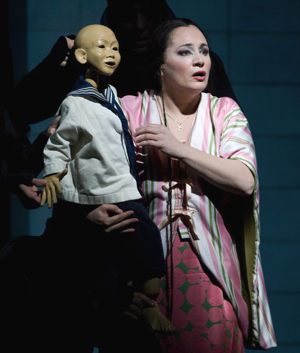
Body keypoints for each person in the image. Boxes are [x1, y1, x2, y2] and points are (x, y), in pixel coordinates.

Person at [114, 18, 277, 352]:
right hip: (143, 266)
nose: (200, 59)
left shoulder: (223, 111)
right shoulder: (130, 109)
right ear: (160, 66)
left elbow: (244, 179)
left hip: (208, 265)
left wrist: (179, 149)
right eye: (185, 52)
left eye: (203, 51)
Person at [40, 23, 175, 341]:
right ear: (83, 55)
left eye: (114, 47)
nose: (111, 53)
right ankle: (126, 303)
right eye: (102, 47)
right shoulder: (76, 102)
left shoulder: (112, 98)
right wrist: (51, 174)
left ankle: (147, 304)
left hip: (123, 187)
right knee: (107, 254)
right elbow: (59, 144)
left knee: (141, 242)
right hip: (96, 193)